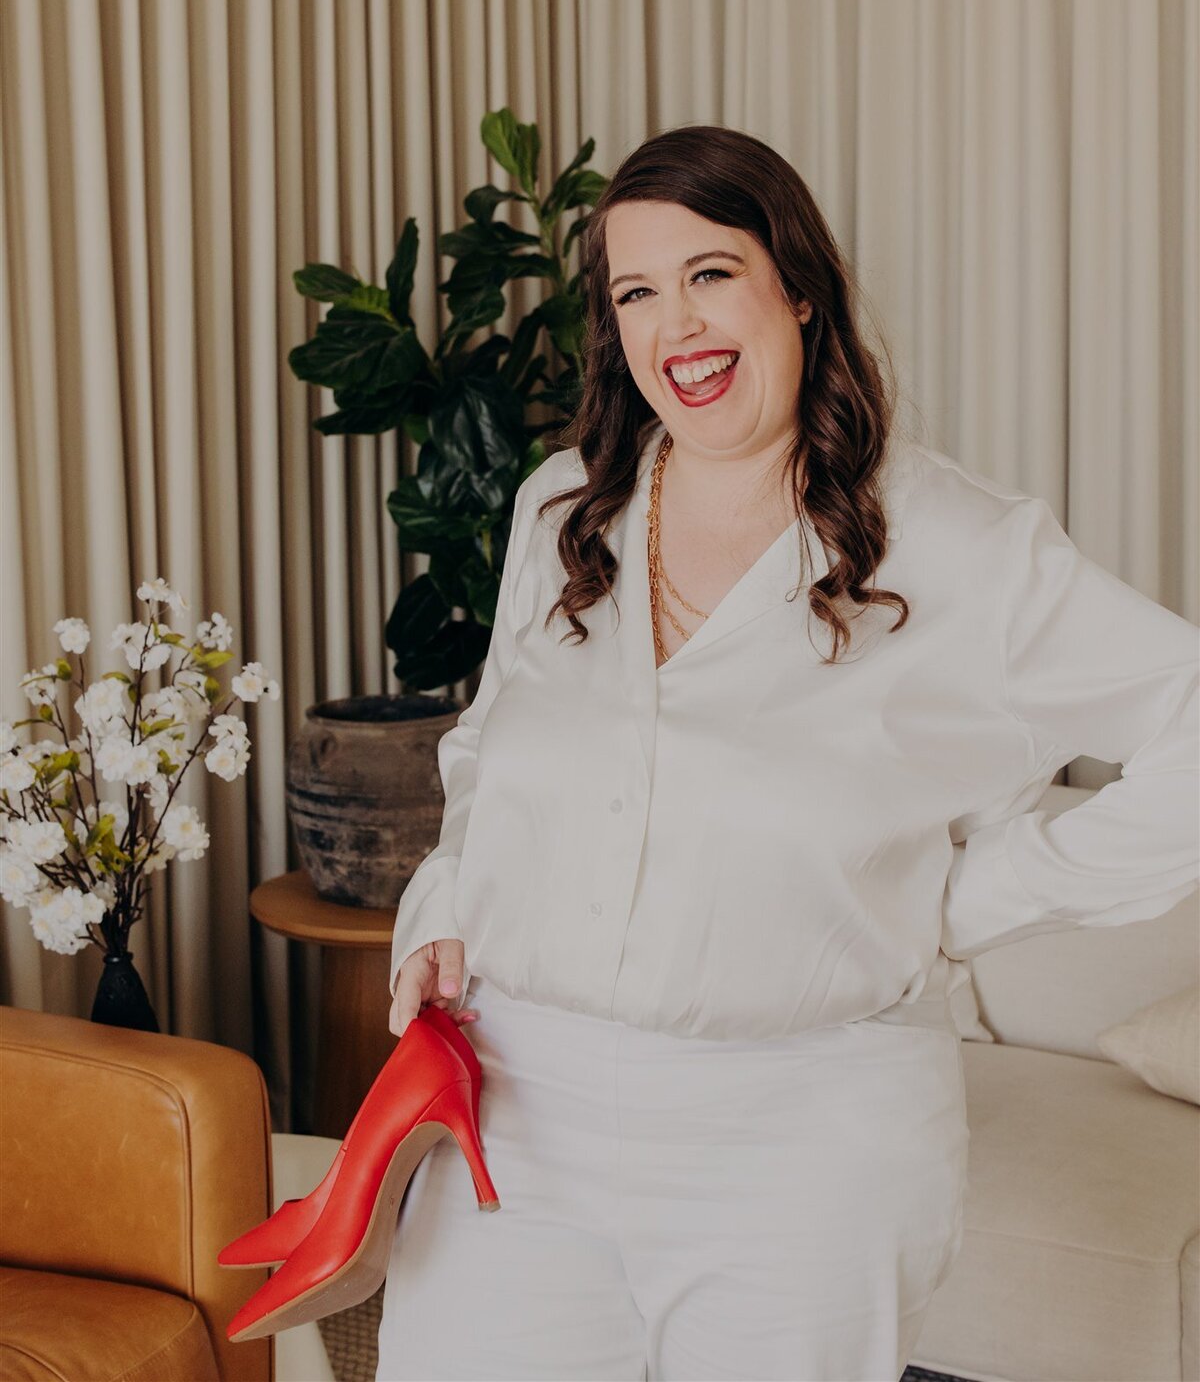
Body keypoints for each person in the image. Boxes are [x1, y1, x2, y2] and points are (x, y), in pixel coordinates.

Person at [375, 124, 1199, 1382]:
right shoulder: (562, 507)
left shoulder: (957, 544)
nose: (677, 326)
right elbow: (492, 747)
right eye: (636, 292)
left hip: (804, 1144)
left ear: (798, 288)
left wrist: (971, 901)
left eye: (711, 273)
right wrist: (443, 898)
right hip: (516, 1115)